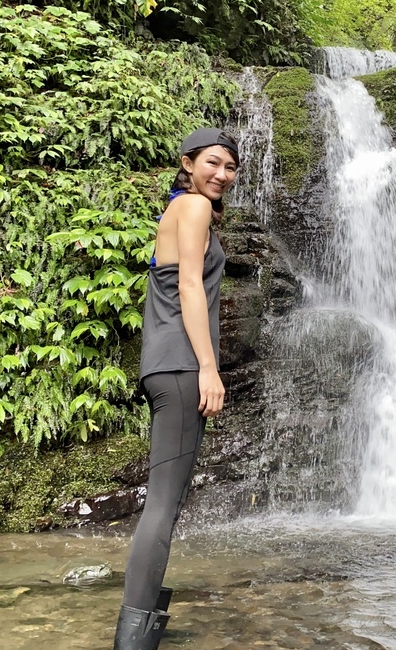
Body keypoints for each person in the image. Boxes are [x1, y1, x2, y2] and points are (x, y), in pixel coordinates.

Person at [113, 127, 239, 650]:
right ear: (187, 163)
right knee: (163, 504)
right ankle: (133, 639)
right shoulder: (192, 208)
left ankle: (142, 627)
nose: (222, 174)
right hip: (183, 364)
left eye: (231, 168)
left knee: (167, 500)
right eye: (213, 162)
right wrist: (209, 367)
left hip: (164, 363)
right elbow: (190, 284)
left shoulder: (177, 209)